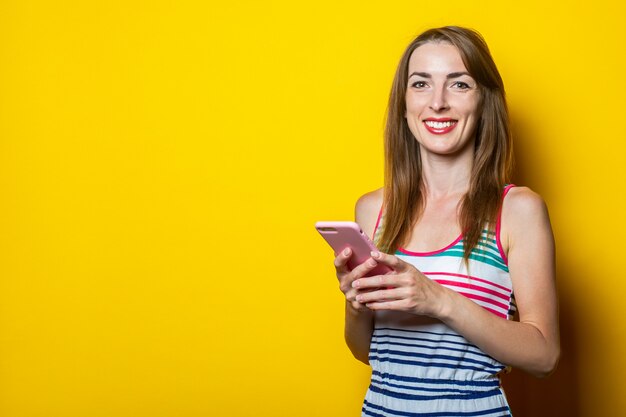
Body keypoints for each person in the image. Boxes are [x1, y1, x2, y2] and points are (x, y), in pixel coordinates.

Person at [334, 26, 559, 416]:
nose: (437, 103)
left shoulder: (518, 210)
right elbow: (366, 352)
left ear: (484, 102)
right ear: (404, 105)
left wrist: (437, 299)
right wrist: (356, 305)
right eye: (420, 84)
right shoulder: (373, 211)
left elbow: (544, 357)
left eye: (459, 85)